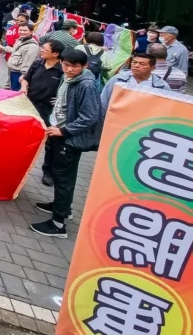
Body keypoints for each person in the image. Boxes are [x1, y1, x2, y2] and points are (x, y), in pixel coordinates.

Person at [30, 48, 103, 238]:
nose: (69, 69)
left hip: (68, 139)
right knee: (59, 174)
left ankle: (58, 224)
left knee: (63, 180)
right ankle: (62, 208)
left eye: (75, 66)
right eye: (66, 65)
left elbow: (89, 117)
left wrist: (63, 131)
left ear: (85, 66)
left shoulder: (86, 85)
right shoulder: (68, 77)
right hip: (58, 133)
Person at [21, 40, 65, 186]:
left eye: (44, 49)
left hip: (48, 110)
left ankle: (48, 172)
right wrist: (23, 87)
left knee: (50, 141)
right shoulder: (37, 63)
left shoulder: (62, 70)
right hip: (30, 105)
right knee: (24, 135)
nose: (41, 50)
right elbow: (26, 79)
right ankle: (18, 164)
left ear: (55, 54)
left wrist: (60, 99)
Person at [100, 51, 170, 108]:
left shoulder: (161, 86)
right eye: (134, 62)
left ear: (153, 68)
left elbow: (165, 107)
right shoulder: (118, 79)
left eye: (142, 64)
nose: (136, 66)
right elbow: (104, 100)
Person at [6, 24, 39, 91]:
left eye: (25, 30)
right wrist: (3, 48)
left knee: (17, 93)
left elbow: (29, 62)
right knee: (12, 91)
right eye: (20, 30)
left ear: (31, 31)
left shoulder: (32, 47)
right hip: (13, 71)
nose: (22, 32)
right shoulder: (20, 40)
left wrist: (24, 75)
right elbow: (15, 51)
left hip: (19, 74)